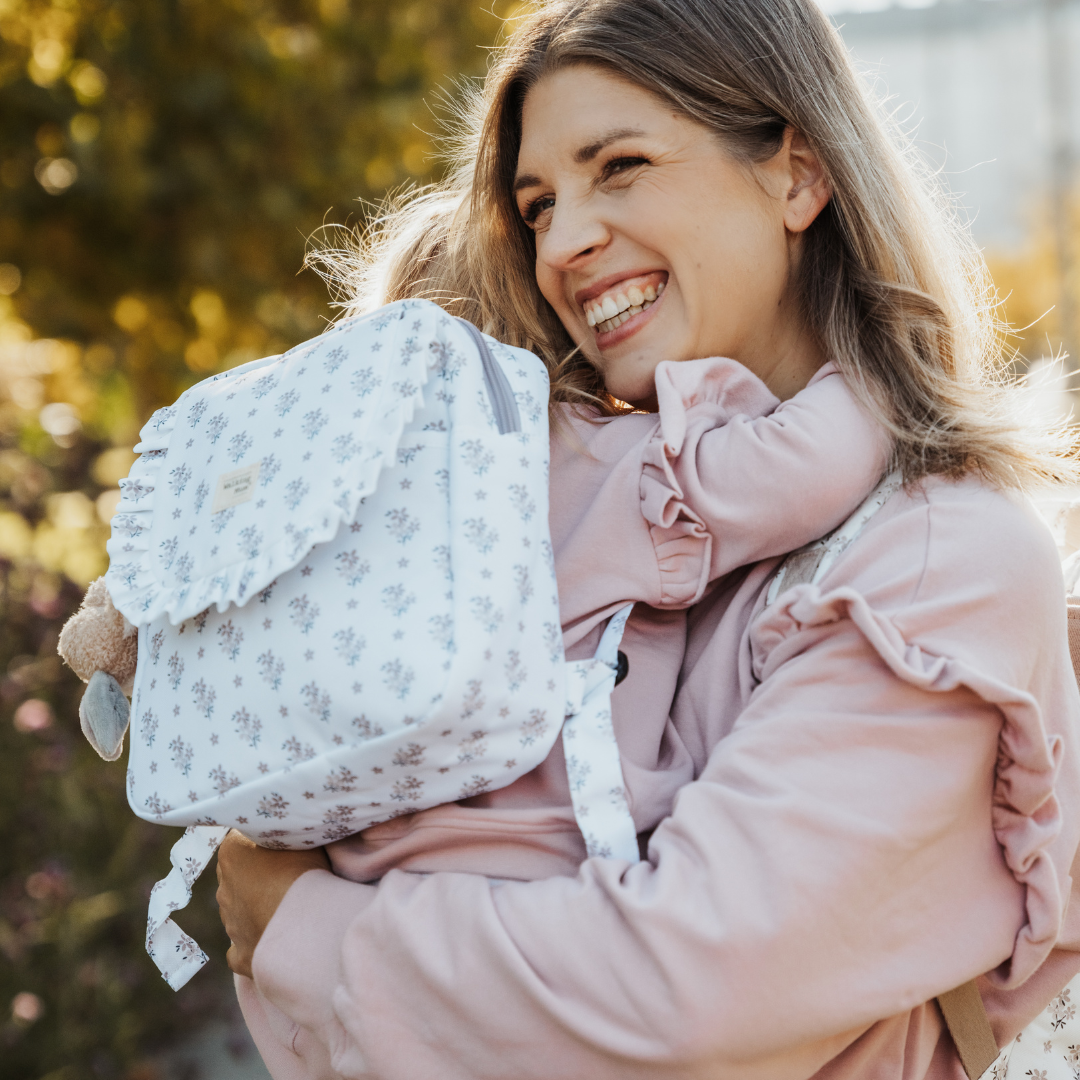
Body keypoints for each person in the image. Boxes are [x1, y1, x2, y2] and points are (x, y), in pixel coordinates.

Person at [215, 1, 1080, 1077]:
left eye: (619, 165)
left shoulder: (932, 562)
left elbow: (680, 998)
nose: (566, 243)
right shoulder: (561, 542)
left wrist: (301, 925)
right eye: (536, 206)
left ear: (798, 176)